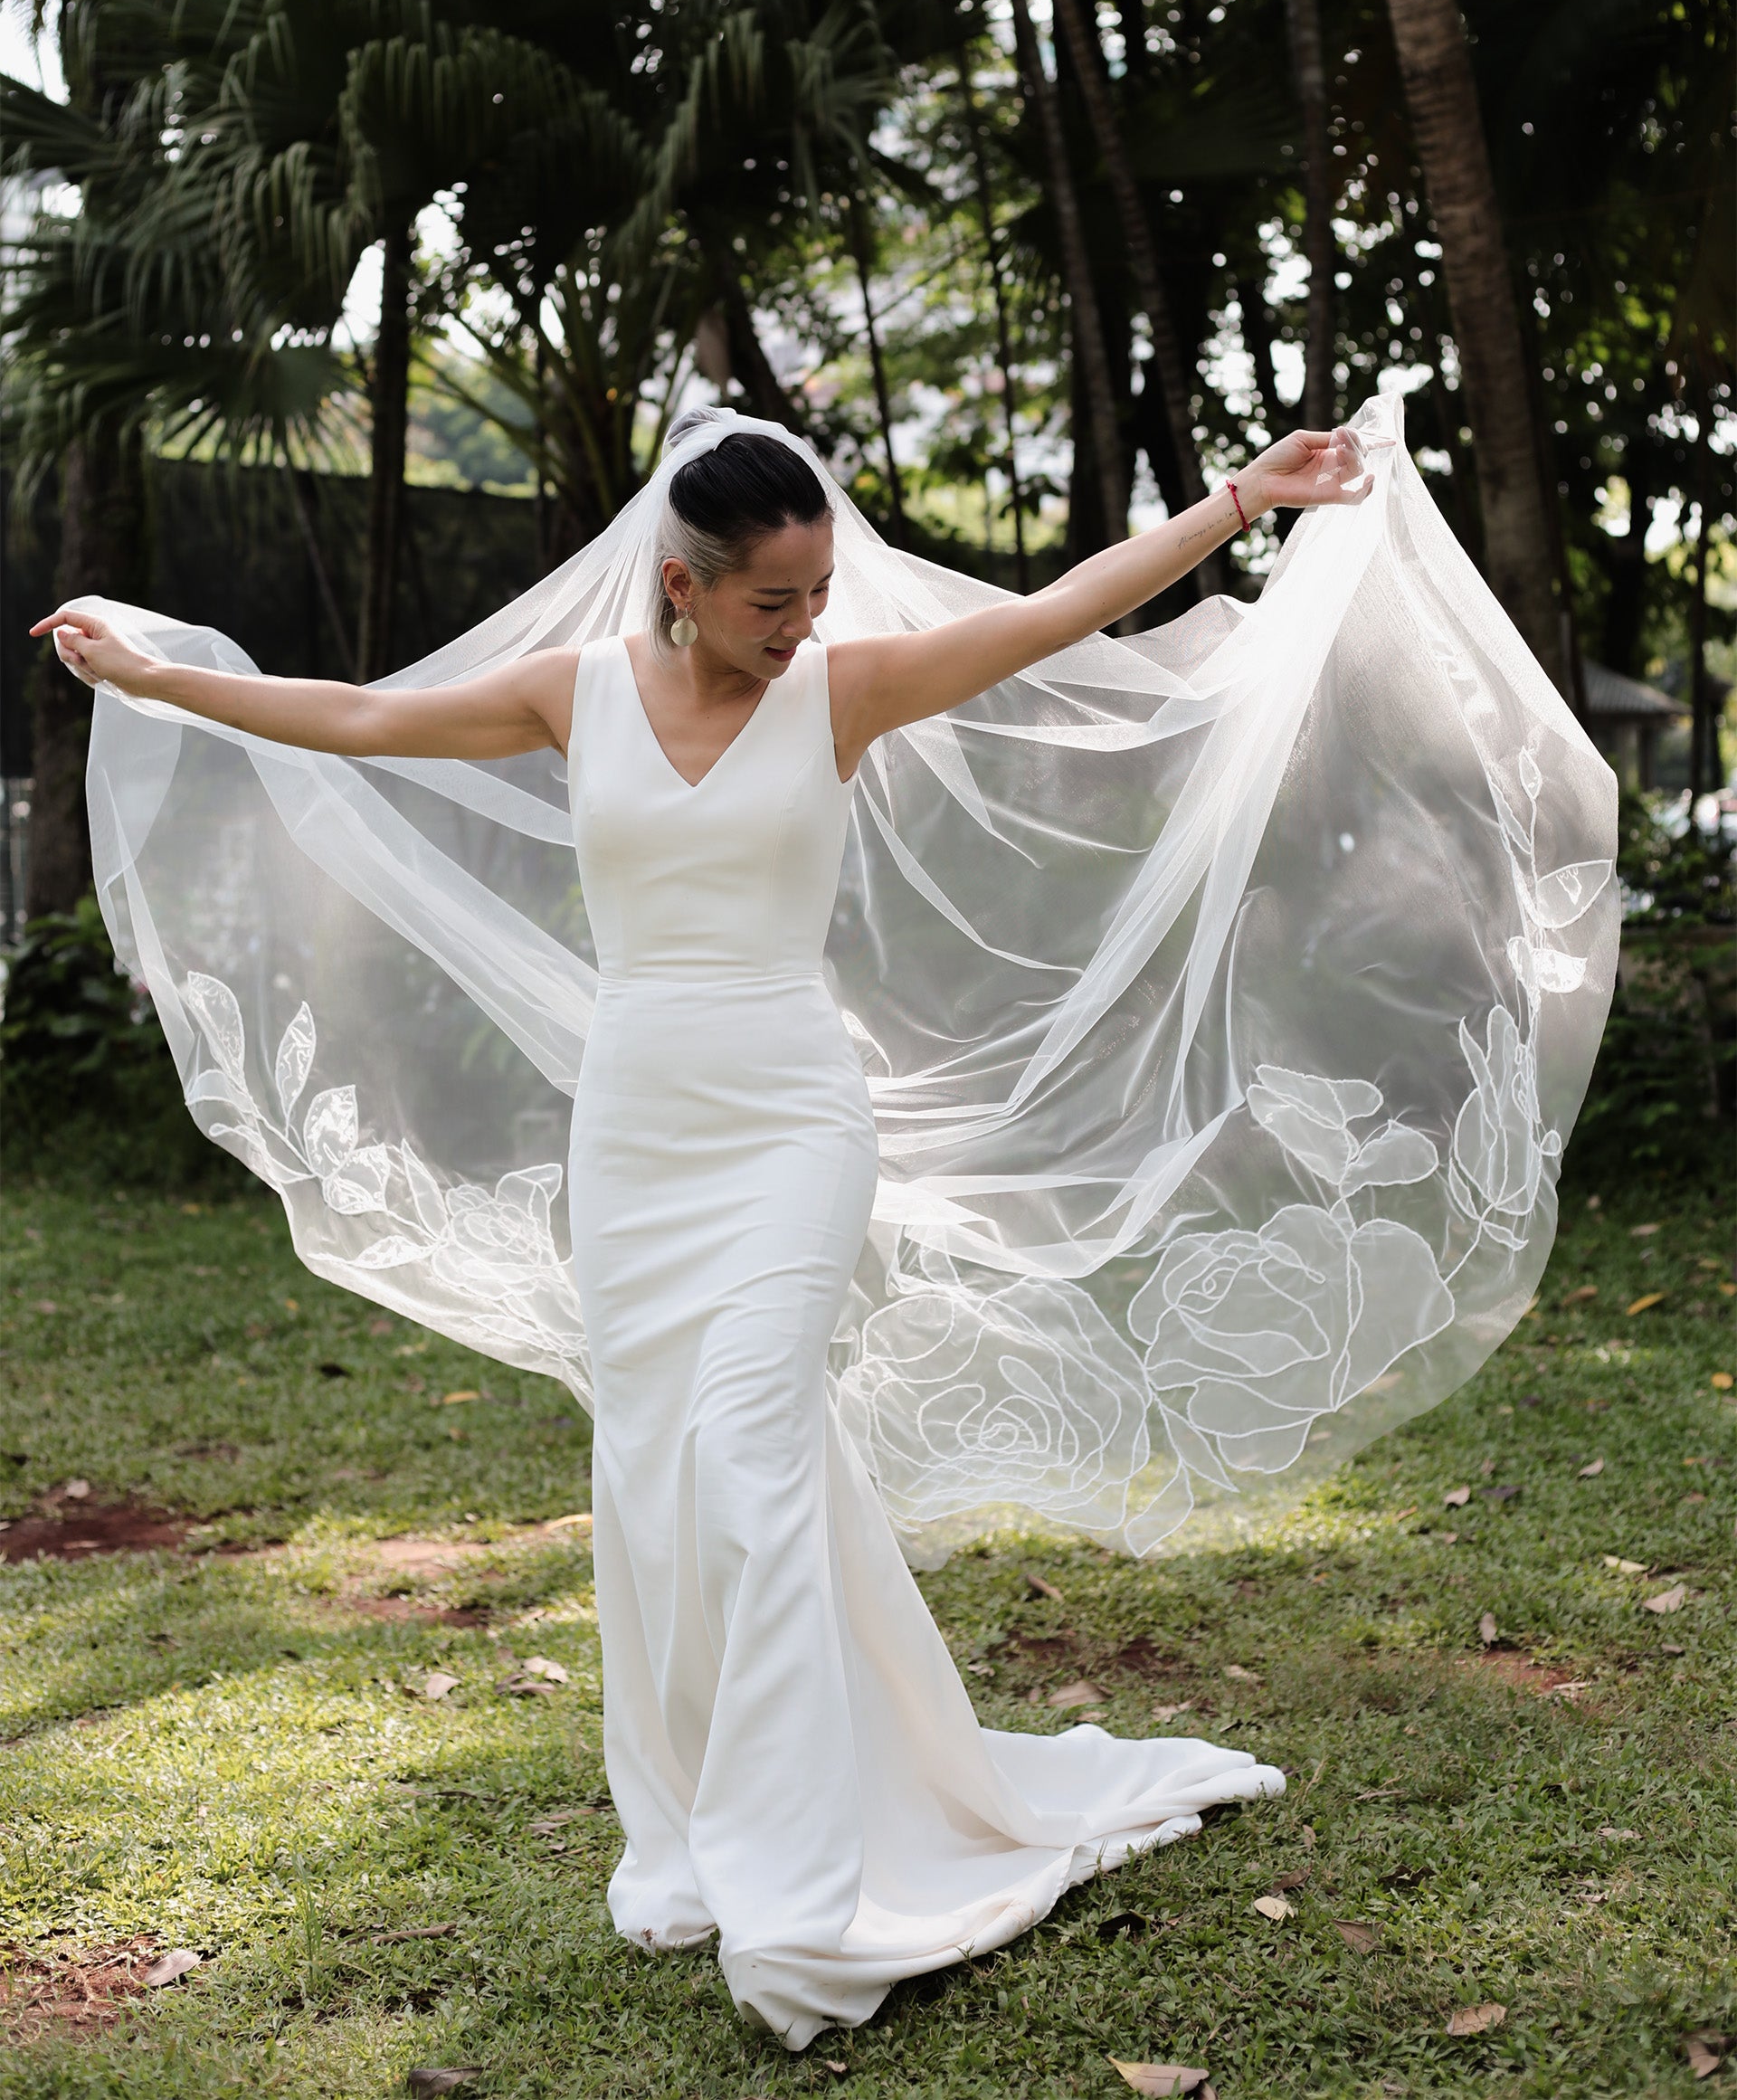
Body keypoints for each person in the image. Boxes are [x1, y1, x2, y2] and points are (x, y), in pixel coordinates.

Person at [33, 401, 1618, 2047]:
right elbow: (358, 718)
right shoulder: (573, 696)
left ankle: (801, 1888)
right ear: (682, 585)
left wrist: (1236, 501)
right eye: (772, 599)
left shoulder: (841, 692)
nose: (803, 624)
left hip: (794, 1120)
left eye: (818, 592)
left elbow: (1054, 613)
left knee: (751, 1448)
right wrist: (154, 675)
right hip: (636, 1136)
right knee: (657, 1471)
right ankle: (706, 1814)